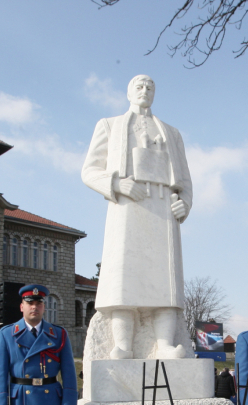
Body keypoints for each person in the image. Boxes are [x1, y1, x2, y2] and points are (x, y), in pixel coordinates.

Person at [81, 74, 193, 360]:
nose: (145, 91)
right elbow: (89, 171)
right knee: (124, 277)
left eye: (150, 87)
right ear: (129, 91)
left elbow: (186, 181)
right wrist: (117, 184)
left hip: (162, 207)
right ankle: (123, 345)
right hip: (128, 205)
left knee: (164, 281)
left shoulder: (171, 132)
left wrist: (184, 203)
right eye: (139, 87)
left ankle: (165, 344)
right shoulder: (110, 125)